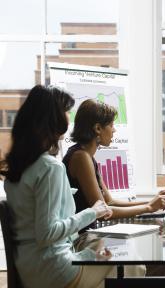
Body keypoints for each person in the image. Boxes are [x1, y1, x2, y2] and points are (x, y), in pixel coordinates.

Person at [0, 85, 115, 288]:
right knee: (129, 266)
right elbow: (47, 234)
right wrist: (93, 212)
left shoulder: (18, 168)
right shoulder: (50, 167)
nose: (69, 117)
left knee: (100, 252)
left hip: (29, 268)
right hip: (53, 269)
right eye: (66, 111)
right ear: (54, 118)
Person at [63, 99, 165, 232]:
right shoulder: (81, 157)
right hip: (79, 240)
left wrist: (151, 202)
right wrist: (148, 207)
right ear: (97, 128)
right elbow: (103, 212)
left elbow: (110, 202)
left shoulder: (87, 157)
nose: (114, 130)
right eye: (111, 125)